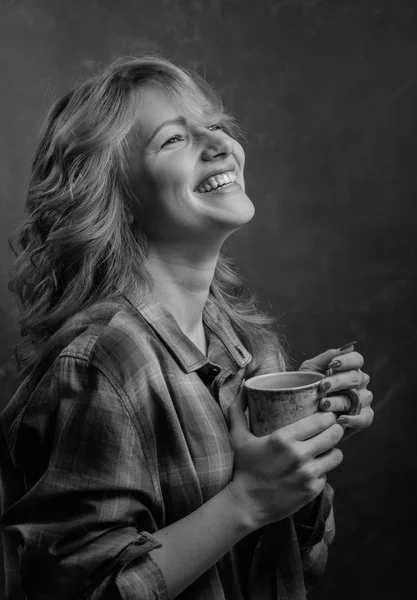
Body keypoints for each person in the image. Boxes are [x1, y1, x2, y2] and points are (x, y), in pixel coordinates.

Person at [0, 55, 374, 600]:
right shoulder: (106, 361)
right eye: (174, 140)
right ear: (114, 196)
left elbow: (293, 563)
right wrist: (247, 501)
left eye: (216, 125)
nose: (219, 143)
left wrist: (302, 442)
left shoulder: (249, 349)